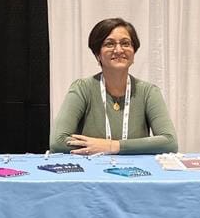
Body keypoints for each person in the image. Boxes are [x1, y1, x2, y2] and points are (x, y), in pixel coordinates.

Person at [50, 18, 178, 155]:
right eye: (109, 44)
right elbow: (57, 141)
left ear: (133, 52)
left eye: (125, 43)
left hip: (135, 168)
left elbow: (169, 142)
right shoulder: (82, 88)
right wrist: (93, 147)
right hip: (92, 167)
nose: (118, 50)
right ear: (97, 54)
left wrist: (112, 146)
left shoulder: (148, 92)